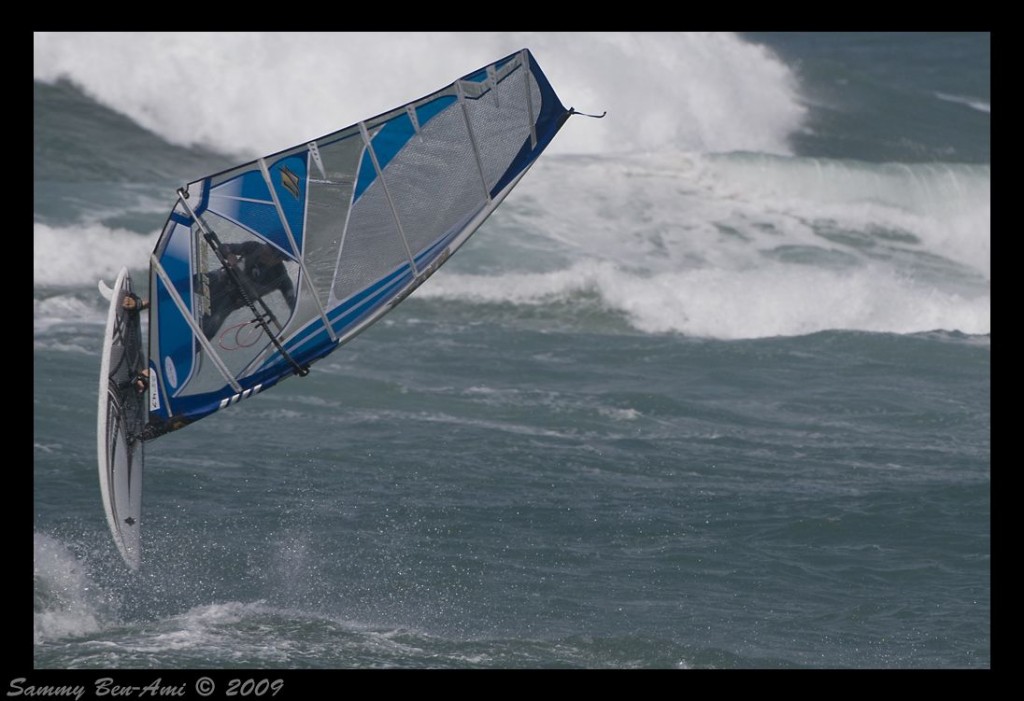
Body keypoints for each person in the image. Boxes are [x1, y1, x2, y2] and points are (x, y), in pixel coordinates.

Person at [200, 241, 297, 339]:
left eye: (267, 255)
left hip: (228, 302)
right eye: (265, 248)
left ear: (279, 259)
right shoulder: (254, 247)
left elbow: (293, 304)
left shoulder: (281, 279)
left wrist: (292, 330)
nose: (262, 254)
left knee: (207, 331)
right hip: (217, 280)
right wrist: (228, 254)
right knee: (187, 282)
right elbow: (223, 247)